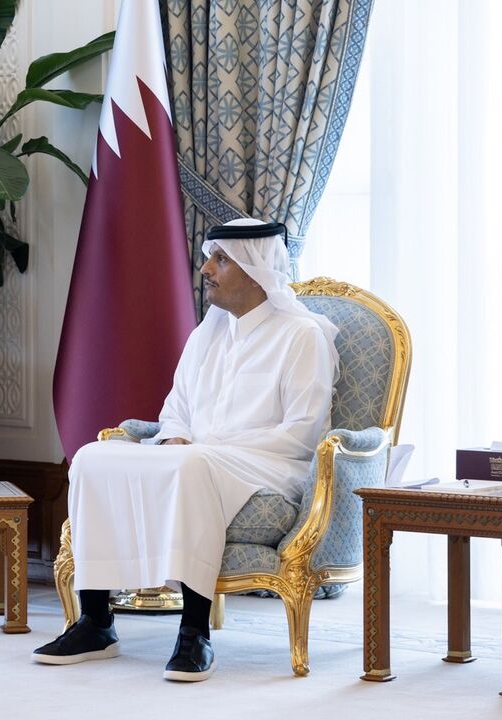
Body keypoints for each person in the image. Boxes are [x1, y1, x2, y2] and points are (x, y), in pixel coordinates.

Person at [32, 218, 338, 682]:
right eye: (208, 258)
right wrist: (175, 434)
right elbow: (175, 408)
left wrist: (201, 446)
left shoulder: (301, 335)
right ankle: (96, 621)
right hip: (198, 456)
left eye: (219, 260)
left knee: (194, 463)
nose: (205, 270)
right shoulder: (207, 334)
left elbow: (300, 432)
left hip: (271, 463)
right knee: (93, 456)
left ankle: (194, 632)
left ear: (255, 271)